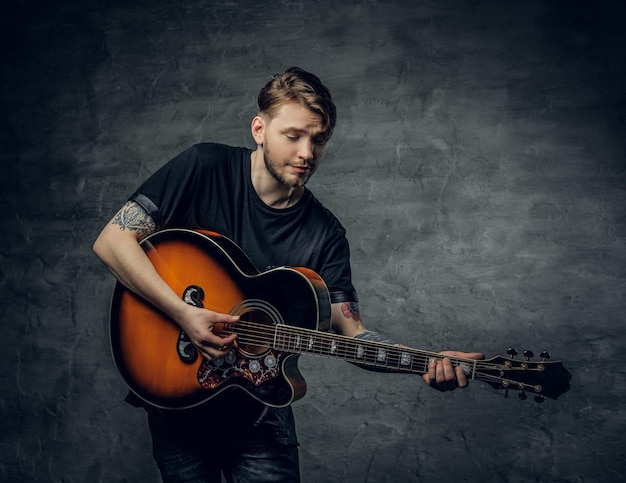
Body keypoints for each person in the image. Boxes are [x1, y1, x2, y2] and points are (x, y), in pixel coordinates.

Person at [93, 66, 484, 483]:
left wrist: (425, 361)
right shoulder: (204, 166)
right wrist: (183, 313)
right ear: (259, 129)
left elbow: (353, 334)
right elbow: (112, 241)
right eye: (293, 136)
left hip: (260, 415)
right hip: (174, 397)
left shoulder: (325, 234)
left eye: (319, 140)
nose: (306, 153)